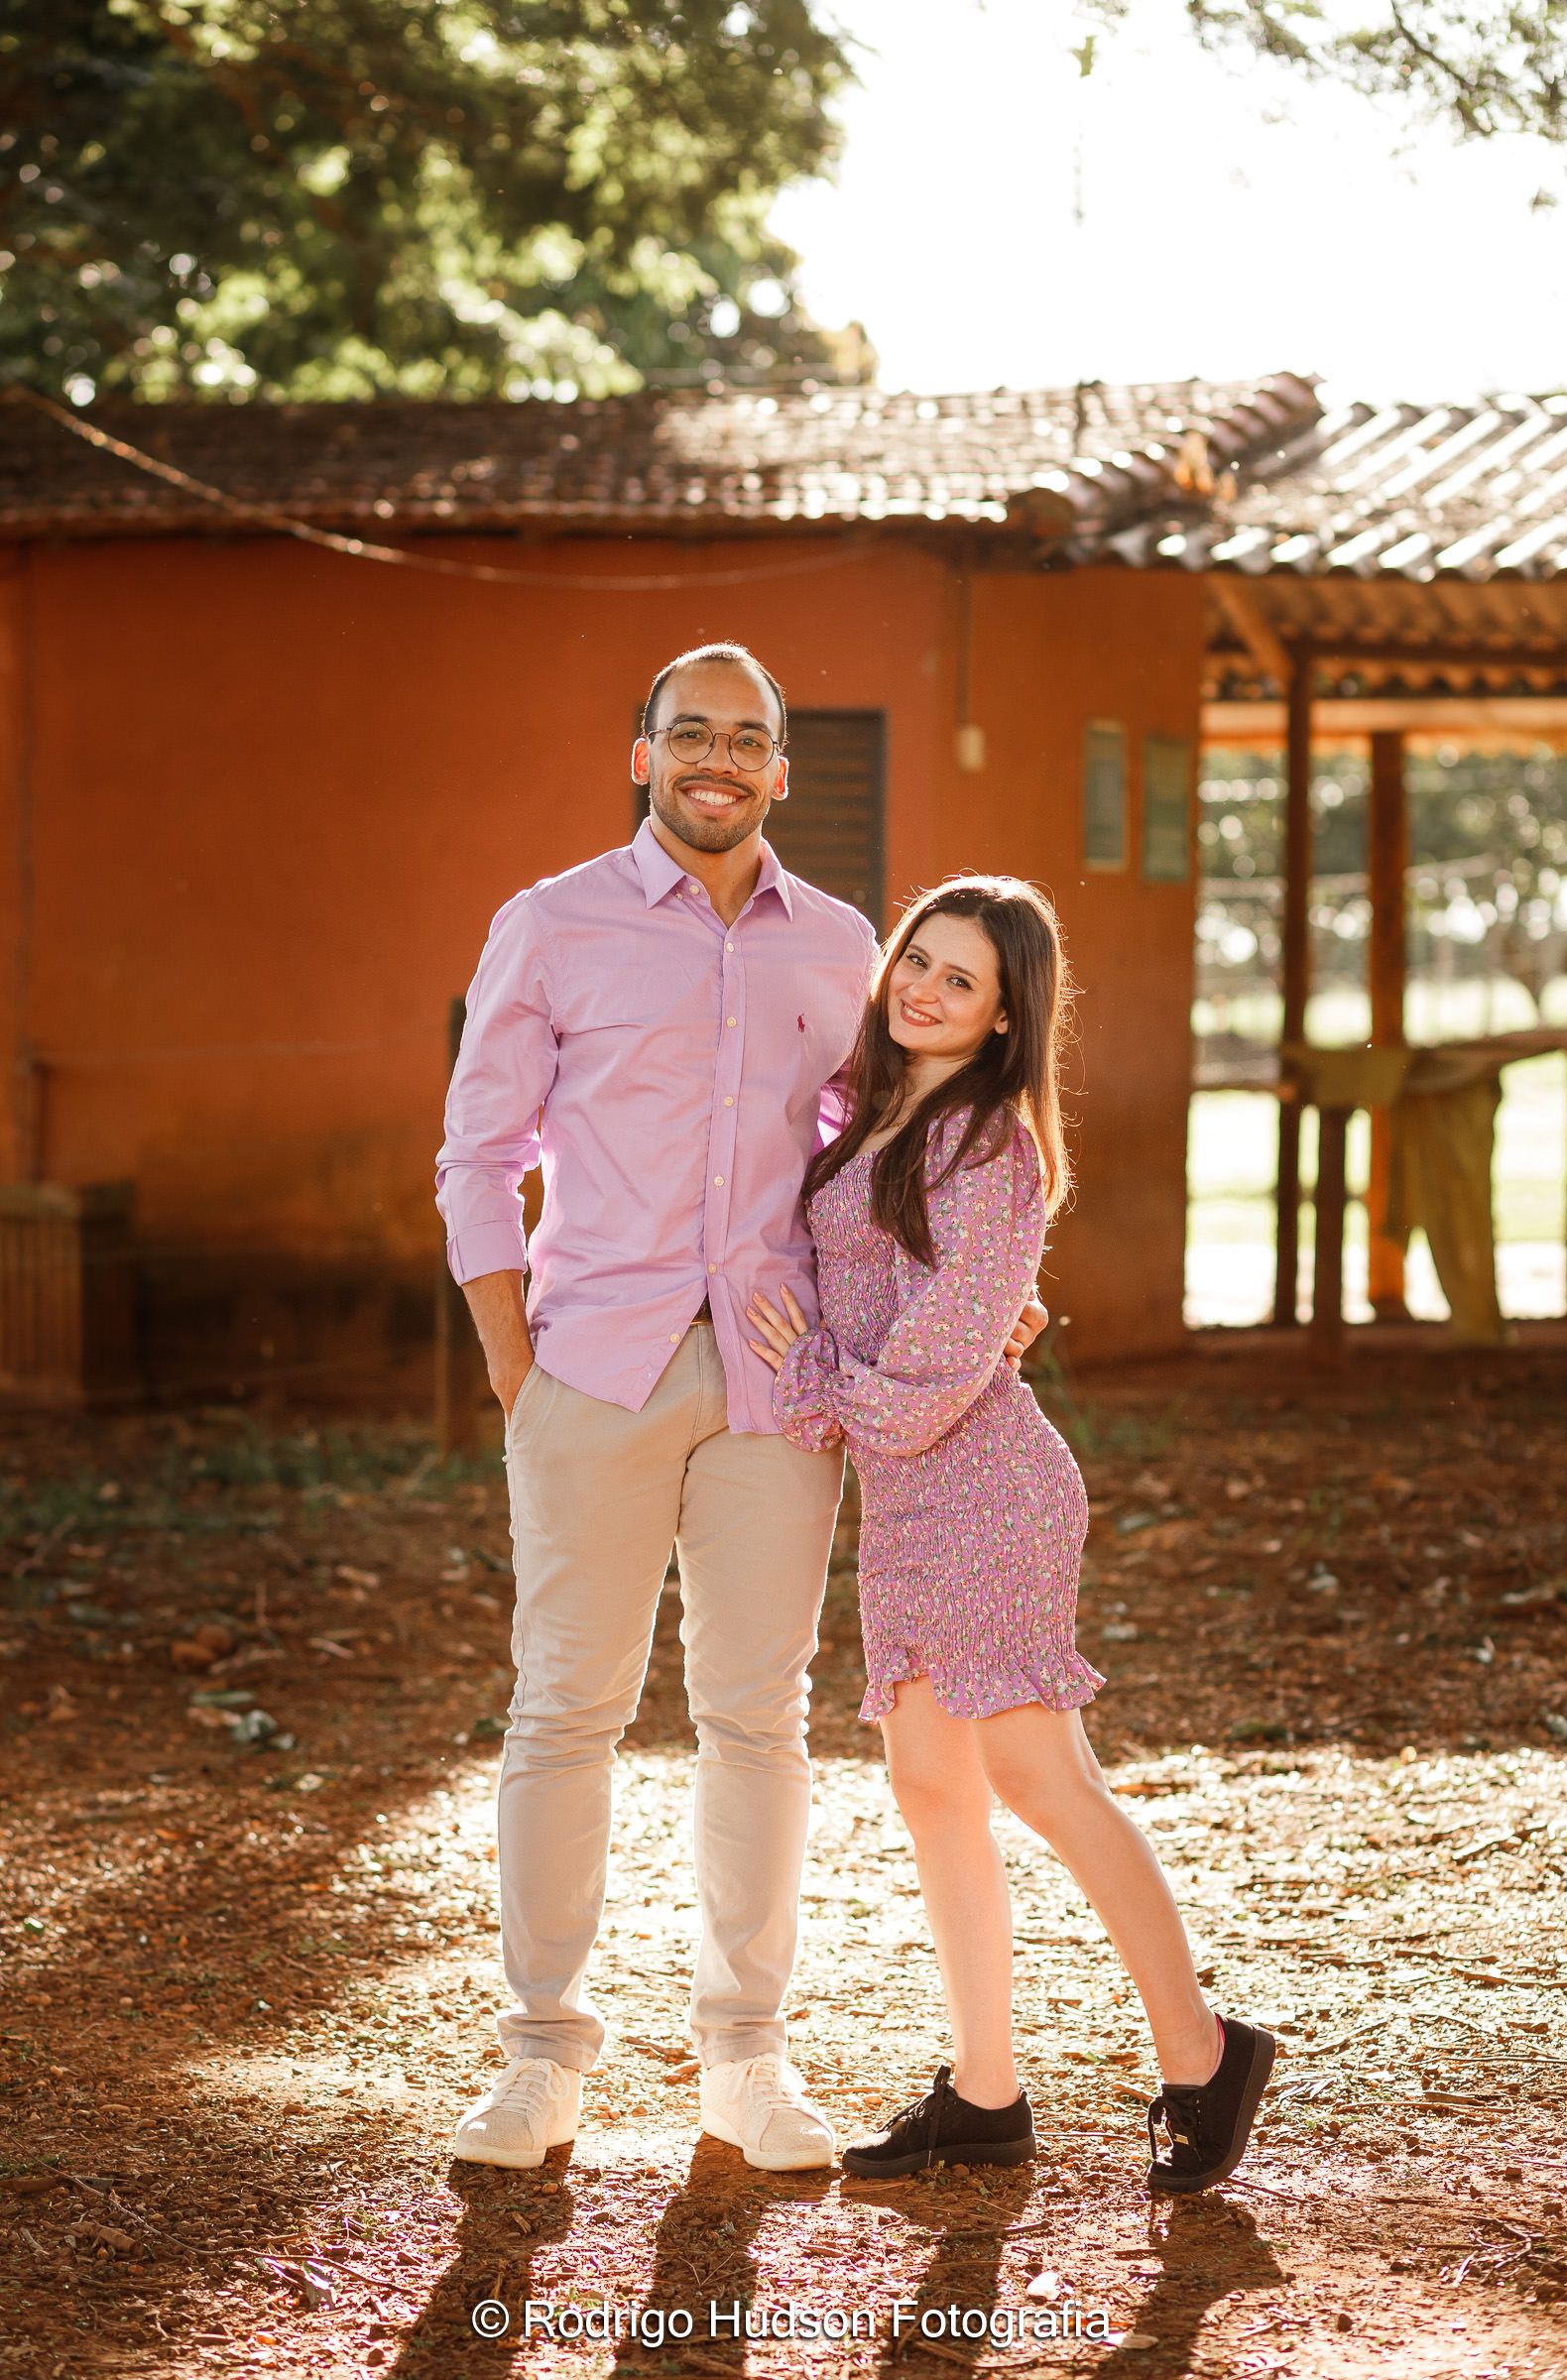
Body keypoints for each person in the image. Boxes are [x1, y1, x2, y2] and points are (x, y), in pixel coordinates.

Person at [434, 645, 1048, 2175]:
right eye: (688, 731)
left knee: (758, 1721)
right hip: (592, 1369)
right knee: (564, 1712)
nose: (717, 757)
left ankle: (746, 2059)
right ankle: (540, 2059)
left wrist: (979, 1292)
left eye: (747, 738)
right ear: (641, 755)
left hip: (785, 1385)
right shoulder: (549, 925)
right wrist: (516, 1369)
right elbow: (477, 1155)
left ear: (781, 770)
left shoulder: (842, 947)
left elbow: (891, 1142)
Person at [747, 876, 1274, 2193]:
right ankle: (986, 2093)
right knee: (933, 1794)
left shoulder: (991, 1146)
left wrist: (811, 1364)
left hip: (987, 1492)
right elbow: (912, 1324)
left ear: (1003, 1017)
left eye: (960, 980)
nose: (923, 989)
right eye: (916, 960)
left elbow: (922, 1385)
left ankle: (1205, 2054)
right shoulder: (873, 1111)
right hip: (907, 1504)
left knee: (1044, 1782)